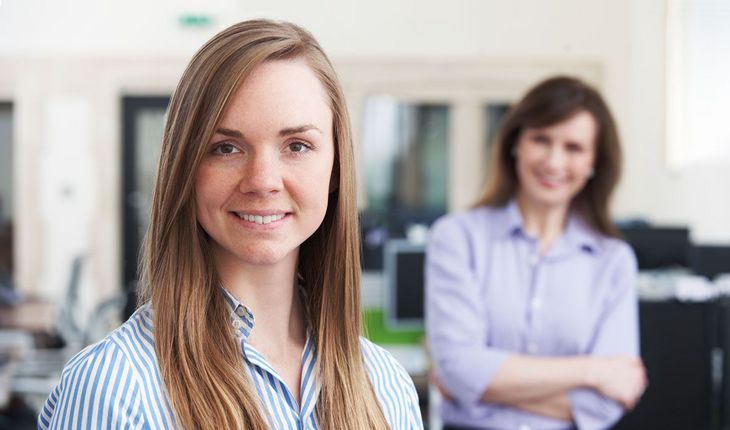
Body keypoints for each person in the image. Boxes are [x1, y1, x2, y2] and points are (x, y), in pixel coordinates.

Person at [38, 20, 422, 430]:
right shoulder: (114, 389)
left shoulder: (385, 386)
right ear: (186, 169)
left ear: (335, 170)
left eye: (297, 146)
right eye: (226, 148)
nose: (262, 180)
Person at [425, 76, 647, 430]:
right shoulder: (457, 237)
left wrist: (482, 389)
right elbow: (458, 369)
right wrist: (594, 370)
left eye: (574, 147)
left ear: (594, 162)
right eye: (541, 139)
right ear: (517, 144)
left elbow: (607, 403)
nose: (554, 161)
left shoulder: (613, 260)